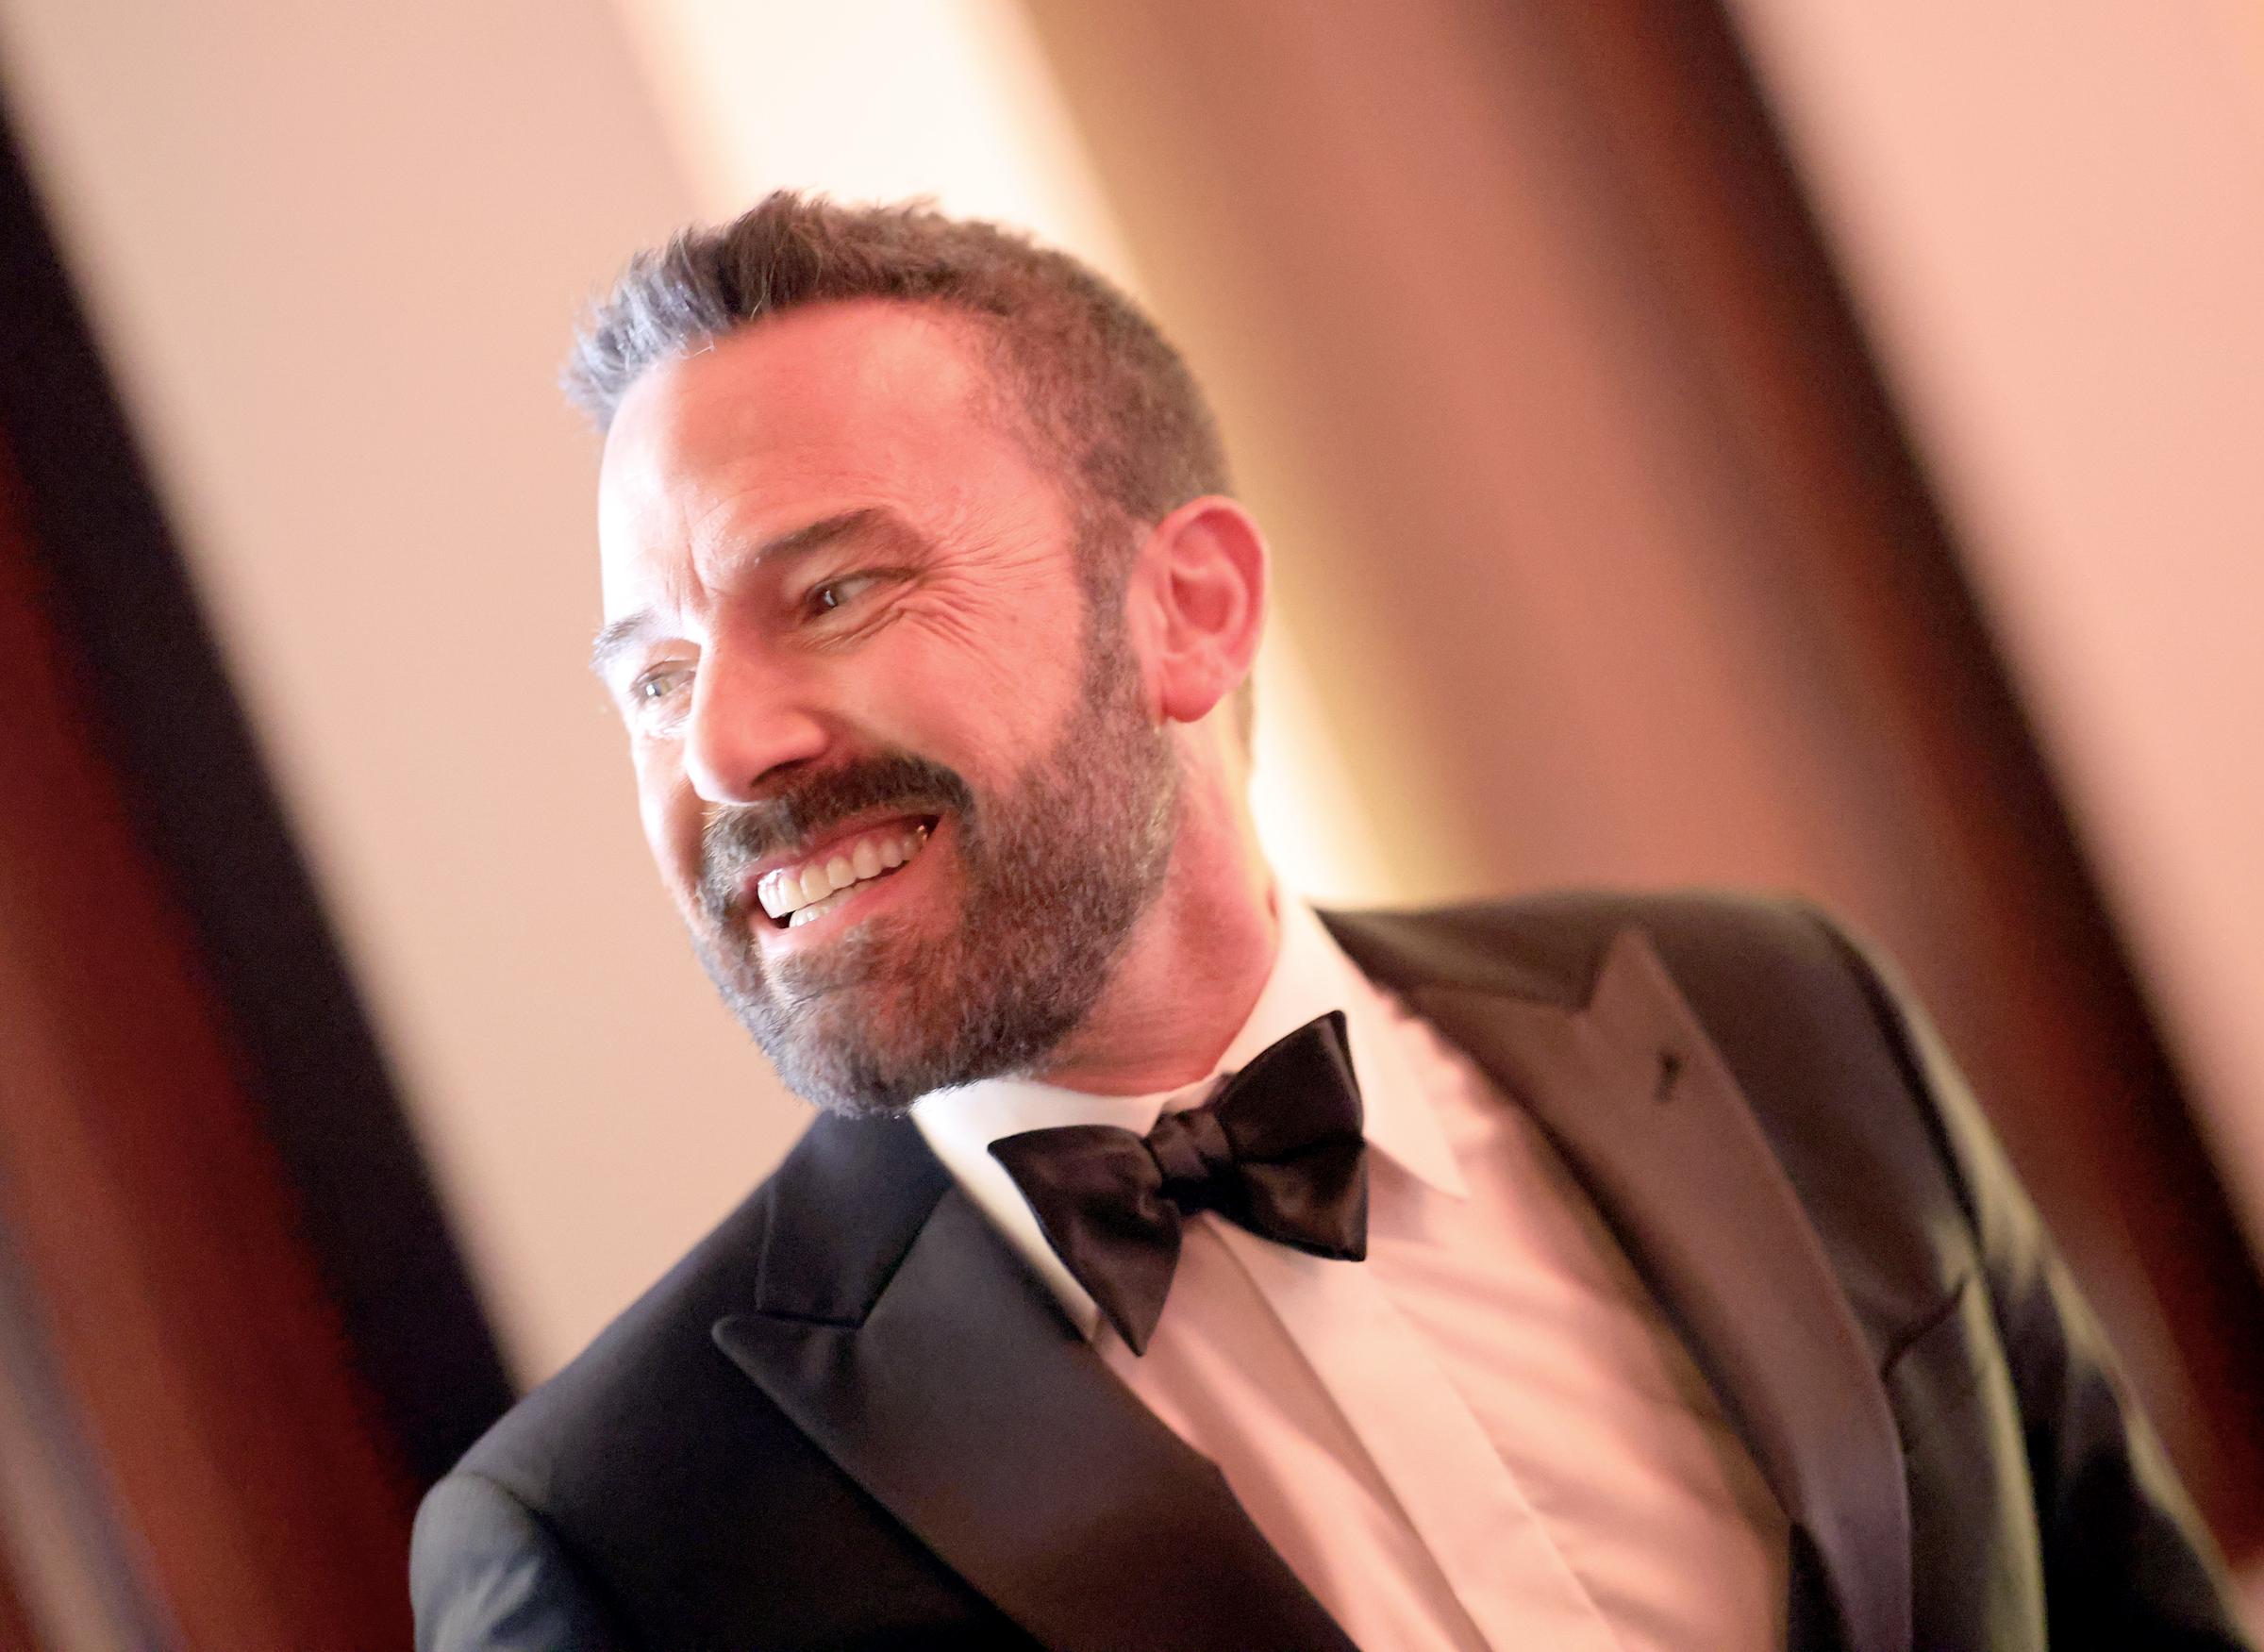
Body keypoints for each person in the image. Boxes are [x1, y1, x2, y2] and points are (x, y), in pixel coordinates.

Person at [409, 193, 2251, 1652]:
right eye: (653, 679)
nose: (725, 748)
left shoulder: (1783, 1013)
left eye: (834, 591)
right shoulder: (618, 1545)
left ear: (1189, 612)